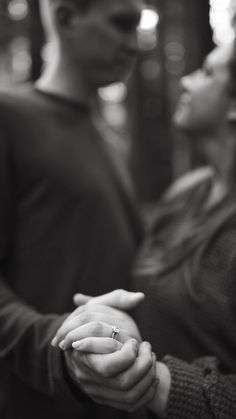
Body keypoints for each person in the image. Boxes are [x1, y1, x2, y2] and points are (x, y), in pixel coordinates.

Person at [52, 41, 236, 418]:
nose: (186, 80)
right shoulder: (185, 194)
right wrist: (115, 331)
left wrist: (155, 380)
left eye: (207, 72)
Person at [0, 0, 160, 418]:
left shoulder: (110, 138)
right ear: (67, 18)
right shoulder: (9, 117)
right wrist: (62, 350)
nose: (134, 44)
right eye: (121, 23)